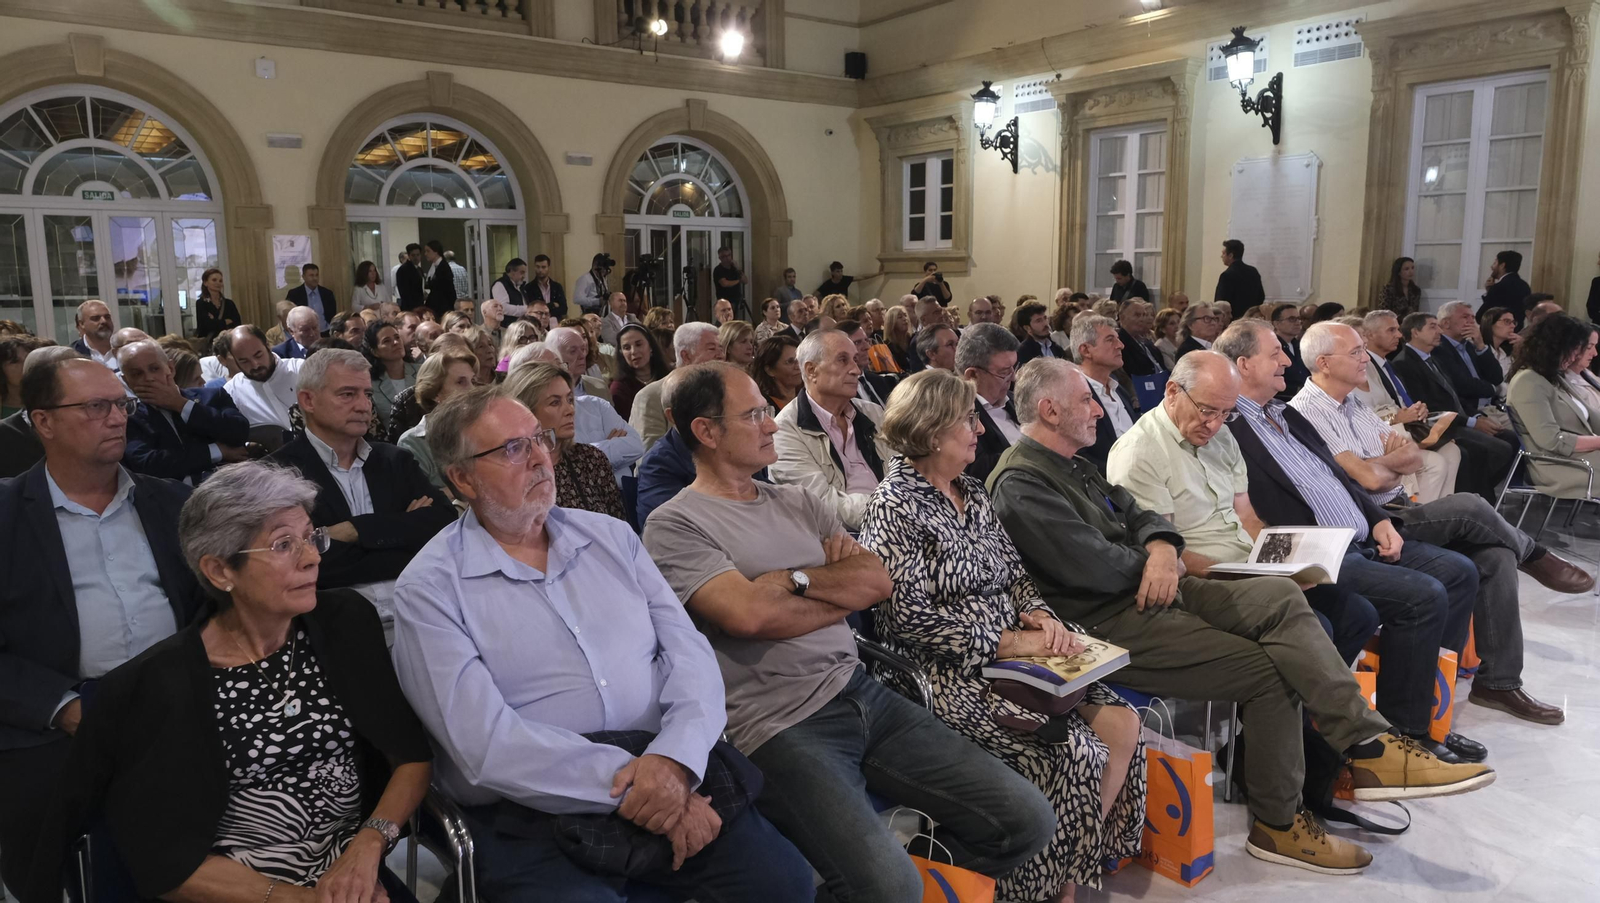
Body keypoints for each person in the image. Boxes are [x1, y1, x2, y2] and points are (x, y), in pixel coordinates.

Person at [988, 356, 1495, 874]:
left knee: (1282, 598)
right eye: (1085, 400)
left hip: (1160, 586)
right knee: (1274, 670)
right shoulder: (1022, 481)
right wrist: (1161, 555)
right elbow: (1094, 568)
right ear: (1049, 410)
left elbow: (1138, 515)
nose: (1099, 408)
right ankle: (1280, 823)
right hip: (1108, 620)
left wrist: (1163, 546)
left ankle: (1371, 744)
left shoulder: (1070, 460)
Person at [643, 364, 1056, 900]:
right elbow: (748, 617)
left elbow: (876, 581)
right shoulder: (675, 524)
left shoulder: (796, 500)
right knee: (890, 889)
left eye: (768, 411)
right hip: (776, 724)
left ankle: (905, 871)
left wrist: (787, 581)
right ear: (707, 431)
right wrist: (828, 592)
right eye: (755, 414)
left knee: (1027, 820)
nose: (772, 424)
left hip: (860, 690)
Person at [391, 386, 814, 902]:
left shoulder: (611, 538)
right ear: (461, 478)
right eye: (511, 449)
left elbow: (689, 655)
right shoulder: (430, 587)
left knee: (784, 883)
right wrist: (643, 785)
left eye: (539, 441)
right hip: (530, 810)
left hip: (668, 767)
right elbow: (485, 747)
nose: (540, 459)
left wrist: (676, 763)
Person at [26, 461, 433, 903]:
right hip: (238, 890)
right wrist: (304, 900)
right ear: (221, 572)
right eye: (283, 545)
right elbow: (166, 866)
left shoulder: (345, 622)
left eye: (311, 536)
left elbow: (411, 757)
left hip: (352, 873)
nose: (313, 556)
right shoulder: (158, 685)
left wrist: (368, 846)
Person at [859, 368, 1145, 900]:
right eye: (967, 419)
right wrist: (1008, 642)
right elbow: (905, 620)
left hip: (1015, 654)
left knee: (1121, 723)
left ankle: (1066, 873)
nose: (979, 428)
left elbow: (1014, 575)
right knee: (1070, 752)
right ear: (930, 428)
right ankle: (1041, 889)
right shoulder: (894, 506)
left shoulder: (970, 490)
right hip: (943, 672)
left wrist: (1040, 617)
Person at [1228, 319, 1579, 735]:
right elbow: (1367, 479)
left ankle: (1451, 699)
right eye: (1275, 354)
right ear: (1245, 365)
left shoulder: (1292, 415)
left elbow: (1390, 464)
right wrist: (1384, 471)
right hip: (1319, 543)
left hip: (1375, 520)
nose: (1286, 361)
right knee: (1450, 545)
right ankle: (1404, 730)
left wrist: (1376, 512)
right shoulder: (1252, 422)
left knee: (1484, 559)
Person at [0, 355, 206, 892]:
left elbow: (210, 611)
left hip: (177, 699)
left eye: (122, 405)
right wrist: (65, 708)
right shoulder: (6, 517)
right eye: (97, 406)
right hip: (61, 714)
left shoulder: (172, 502)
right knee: (50, 837)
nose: (119, 419)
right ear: (42, 421)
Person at [1105, 352, 1379, 667]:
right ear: (1172, 392)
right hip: (1202, 583)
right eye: (1207, 410)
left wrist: (1284, 563)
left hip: (1248, 570)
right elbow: (1165, 553)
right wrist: (1253, 577)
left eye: (1226, 412)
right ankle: (1303, 708)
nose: (1214, 424)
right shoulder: (1140, 453)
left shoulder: (1221, 437)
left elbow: (1248, 518)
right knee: (1318, 627)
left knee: (1358, 615)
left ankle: (1312, 709)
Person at [269, 349, 455, 599]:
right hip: (333, 615)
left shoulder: (394, 460)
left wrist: (354, 530)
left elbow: (443, 522)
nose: (363, 405)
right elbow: (303, 563)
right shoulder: (278, 473)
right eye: (347, 394)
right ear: (308, 401)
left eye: (367, 394)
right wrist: (401, 531)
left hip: (415, 602)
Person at [770, 330, 891, 531]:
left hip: (897, 527)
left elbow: (905, 471)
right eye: (843, 360)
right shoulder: (785, 430)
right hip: (842, 539)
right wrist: (893, 511)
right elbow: (821, 504)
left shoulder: (874, 413)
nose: (856, 370)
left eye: (854, 359)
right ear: (811, 371)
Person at [1390, 312, 1517, 498]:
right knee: (1489, 450)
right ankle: (1476, 497)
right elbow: (1429, 405)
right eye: (1432, 326)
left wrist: (1476, 417)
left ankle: (1477, 493)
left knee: (1509, 439)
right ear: (1416, 332)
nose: (1439, 331)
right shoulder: (1404, 363)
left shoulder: (1433, 358)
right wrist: (1470, 422)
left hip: (1458, 419)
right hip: (1441, 425)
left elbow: (1455, 396)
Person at [504, 363, 626, 520]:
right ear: (526, 410)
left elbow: (619, 528)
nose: (570, 410)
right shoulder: (513, 473)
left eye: (569, 399)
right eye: (555, 403)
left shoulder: (591, 459)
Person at [117, 340, 250, 482]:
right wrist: (216, 451)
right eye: (137, 374)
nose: (149, 378)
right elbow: (147, 464)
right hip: (170, 498)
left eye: (154, 369)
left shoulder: (213, 396)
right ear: (127, 381)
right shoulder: (128, 417)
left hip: (230, 488)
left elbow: (239, 432)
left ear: (170, 367)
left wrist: (180, 404)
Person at [1507, 313, 1600, 501]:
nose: (1577, 355)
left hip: (1580, 457)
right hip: (1559, 466)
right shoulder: (1529, 381)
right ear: (1557, 346)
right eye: (1576, 348)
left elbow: (1591, 419)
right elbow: (1551, 441)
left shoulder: (1553, 377)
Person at [630, 322, 723, 450]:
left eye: (721, 349)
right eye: (712, 349)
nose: (721, 355)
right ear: (686, 356)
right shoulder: (650, 397)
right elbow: (649, 456)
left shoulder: (723, 391)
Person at [398, 346, 478, 493]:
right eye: (461, 382)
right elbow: (424, 501)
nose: (472, 390)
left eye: (473, 381)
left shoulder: (483, 432)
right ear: (435, 393)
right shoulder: (412, 443)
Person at [957, 322, 1022, 482]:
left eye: (1014, 367)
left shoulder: (1016, 400)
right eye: (1004, 372)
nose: (1013, 377)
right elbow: (975, 468)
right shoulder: (956, 412)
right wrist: (1039, 453)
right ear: (972, 375)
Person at [1072, 315, 1137, 473]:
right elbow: (1076, 454)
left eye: (1118, 339)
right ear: (1086, 350)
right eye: (1110, 340)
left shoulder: (1119, 390)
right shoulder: (1073, 393)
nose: (1120, 345)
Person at [223, 325, 307, 432]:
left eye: (258, 355)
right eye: (244, 361)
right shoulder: (232, 392)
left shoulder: (301, 370)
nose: (255, 365)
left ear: (267, 346)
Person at [1435, 299, 1505, 419]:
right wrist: (1493, 389)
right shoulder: (1438, 348)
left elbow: (1496, 377)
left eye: (1473, 317)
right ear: (1446, 323)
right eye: (1465, 317)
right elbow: (1462, 384)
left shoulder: (1470, 346)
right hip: (1470, 412)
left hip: (1492, 407)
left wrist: (1481, 345)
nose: (1472, 322)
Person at [365, 320, 419, 434]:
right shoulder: (370, 383)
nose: (395, 342)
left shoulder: (423, 371)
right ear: (375, 351)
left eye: (397, 337)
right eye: (386, 341)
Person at [610, 323, 670, 422]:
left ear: (650, 346)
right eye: (627, 348)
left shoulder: (669, 377)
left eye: (638, 344)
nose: (633, 351)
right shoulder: (619, 389)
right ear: (621, 353)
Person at [838, 319, 897, 408]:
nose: (867, 347)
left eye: (866, 340)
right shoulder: (840, 391)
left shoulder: (881, 381)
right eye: (857, 343)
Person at [1214, 239, 1266, 321]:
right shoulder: (1253, 271)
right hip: (1251, 319)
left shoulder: (1226, 275)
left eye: (1223, 253)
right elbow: (1261, 297)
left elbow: (1221, 303)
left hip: (1233, 321)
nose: (1221, 256)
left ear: (1230, 255)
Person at [750, 332, 801, 412]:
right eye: (790, 361)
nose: (798, 366)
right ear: (769, 370)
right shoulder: (762, 406)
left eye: (799, 359)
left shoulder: (808, 398)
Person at [1482, 249, 1532, 328]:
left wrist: (1489, 292)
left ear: (1502, 265)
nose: (1492, 267)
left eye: (1495, 263)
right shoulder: (1525, 286)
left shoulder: (1498, 287)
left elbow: (1482, 316)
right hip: (1516, 333)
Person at [1270, 302, 1310, 399]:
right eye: (1292, 319)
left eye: (1298, 319)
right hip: (1284, 398)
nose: (1297, 322)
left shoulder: (1300, 345)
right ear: (1276, 323)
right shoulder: (1272, 347)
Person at [1115, 298, 1164, 376]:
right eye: (1137, 315)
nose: (1142, 319)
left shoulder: (1148, 343)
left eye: (1144, 315)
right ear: (1122, 317)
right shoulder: (1119, 344)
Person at [194, 267, 242, 339]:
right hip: (209, 344)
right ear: (205, 283)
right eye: (214, 280)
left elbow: (237, 324)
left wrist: (215, 322)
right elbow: (206, 326)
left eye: (220, 281)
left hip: (228, 341)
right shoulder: (201, 303)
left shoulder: (229, 303)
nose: (218, 283)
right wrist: (225, 322)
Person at [1012, 301, 1066, 365]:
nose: (1045, 323)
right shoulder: (1023, 352)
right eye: (1038, 321)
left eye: (1045, 318)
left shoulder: (1057, 348)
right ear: (1027, 328)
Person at [1479, 305, 1519, 389]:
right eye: (1507, 321)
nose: (1512, 326)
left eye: (1513, 322)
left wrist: (1524, 346)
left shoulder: (1508, 352)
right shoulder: (1481, 351)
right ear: (1490, 323)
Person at [287, 263, 334, 332]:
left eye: (317, 275)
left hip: (325, 333)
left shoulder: (327, 293)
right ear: (303, 277)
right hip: (305, 334)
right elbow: (290, 316)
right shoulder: (294, 294)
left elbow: (333, 315)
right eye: (311, 275)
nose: (315, 278)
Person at [71, 299, 117, 369]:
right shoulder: (72, 355)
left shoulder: (124, 348)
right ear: (82, 324)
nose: (103, 321)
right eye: (96, 318)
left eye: (107, 317)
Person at [421, 240, 457, 321]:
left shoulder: (443, 267)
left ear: (436, 251)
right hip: (436, 305)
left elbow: (447, 289)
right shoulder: (434, 266)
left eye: (428, 251)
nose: (425, 254)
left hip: (442, 307)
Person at [713, 246, 749, 320]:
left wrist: (737, 267)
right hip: (725, 301)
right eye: (724, 256)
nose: (727, 258)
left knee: (736, 322)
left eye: (729, 255)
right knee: (726, 321)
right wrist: (738, 281)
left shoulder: (734, 268)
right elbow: (725, 283)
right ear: (720, 258)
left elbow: (745, 280)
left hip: (737, 299)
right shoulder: (718, 270)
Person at [529, 253, 568, 321]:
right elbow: (533, 309)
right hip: (537, 322)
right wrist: (552, 305)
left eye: (543, 267)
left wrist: (544, 310)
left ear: (548, 267)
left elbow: (564, 309)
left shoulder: (557, 286)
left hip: (555, 323)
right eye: (537, 267)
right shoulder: (529, 287)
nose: (540, 270)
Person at [879, 305, 914, 372]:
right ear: (891, 322)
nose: (905, 319)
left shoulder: (914, 339)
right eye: (900, 317)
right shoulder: (887, 347)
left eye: (905, 315)